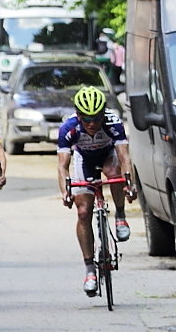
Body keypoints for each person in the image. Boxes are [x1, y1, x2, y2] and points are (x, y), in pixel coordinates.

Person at [56, 87, 136, 296]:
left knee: (114, 171)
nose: (92, 123)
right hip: (84, 159)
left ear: (103, 114)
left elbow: (125, 157)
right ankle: (90, 269)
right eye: (87, 119)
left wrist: (130, 184)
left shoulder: (113, 123)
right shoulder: (69, 128)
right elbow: (63, 165)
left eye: (97, 118)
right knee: (83, 212)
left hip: (108, 155)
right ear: (79, 115)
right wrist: (66, 191)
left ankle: (120, 216)